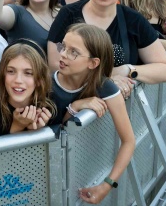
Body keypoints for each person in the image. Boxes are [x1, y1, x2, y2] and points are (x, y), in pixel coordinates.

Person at [47, 0, 166, 96]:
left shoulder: (133, 20)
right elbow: (55, 65)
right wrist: (105, 81)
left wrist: (126, 70)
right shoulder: (68, 14)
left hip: (117, 108)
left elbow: (165, 70)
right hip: (76, 105)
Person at [50, 23, 135, 204]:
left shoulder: (105, 86)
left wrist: (107, 185)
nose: (63, 54)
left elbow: (128, 141)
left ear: (93, 63)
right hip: (49, 170)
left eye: (73, 52)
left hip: (81, 168)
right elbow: (52, 137)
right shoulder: (45, 84)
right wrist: (76, 106)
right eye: (63, 46)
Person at [0, 40, 55, 138]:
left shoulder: (50, 108)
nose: (18, 80)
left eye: (28, 73)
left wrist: (40, 132)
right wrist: (17, 127)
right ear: (3, 75)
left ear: (39, 80)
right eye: (11, 71)